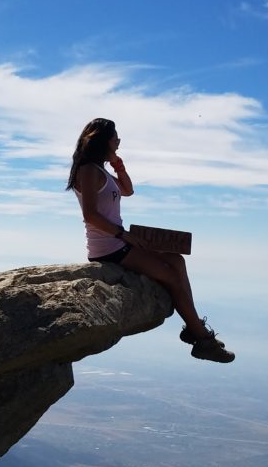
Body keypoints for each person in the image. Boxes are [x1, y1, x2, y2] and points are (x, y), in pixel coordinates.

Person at [67, 117, 235, 364]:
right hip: (109, 248)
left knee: (177, 261)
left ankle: (194, 327)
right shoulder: (88, 170)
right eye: (115, 138)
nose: (119, 141)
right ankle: (202, 340)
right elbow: (90, 215)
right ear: (103, 141)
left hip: (118, 242)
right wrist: (123, 234)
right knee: (171, 277)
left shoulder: (100, 170)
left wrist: (117, 164)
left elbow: (128, 190)